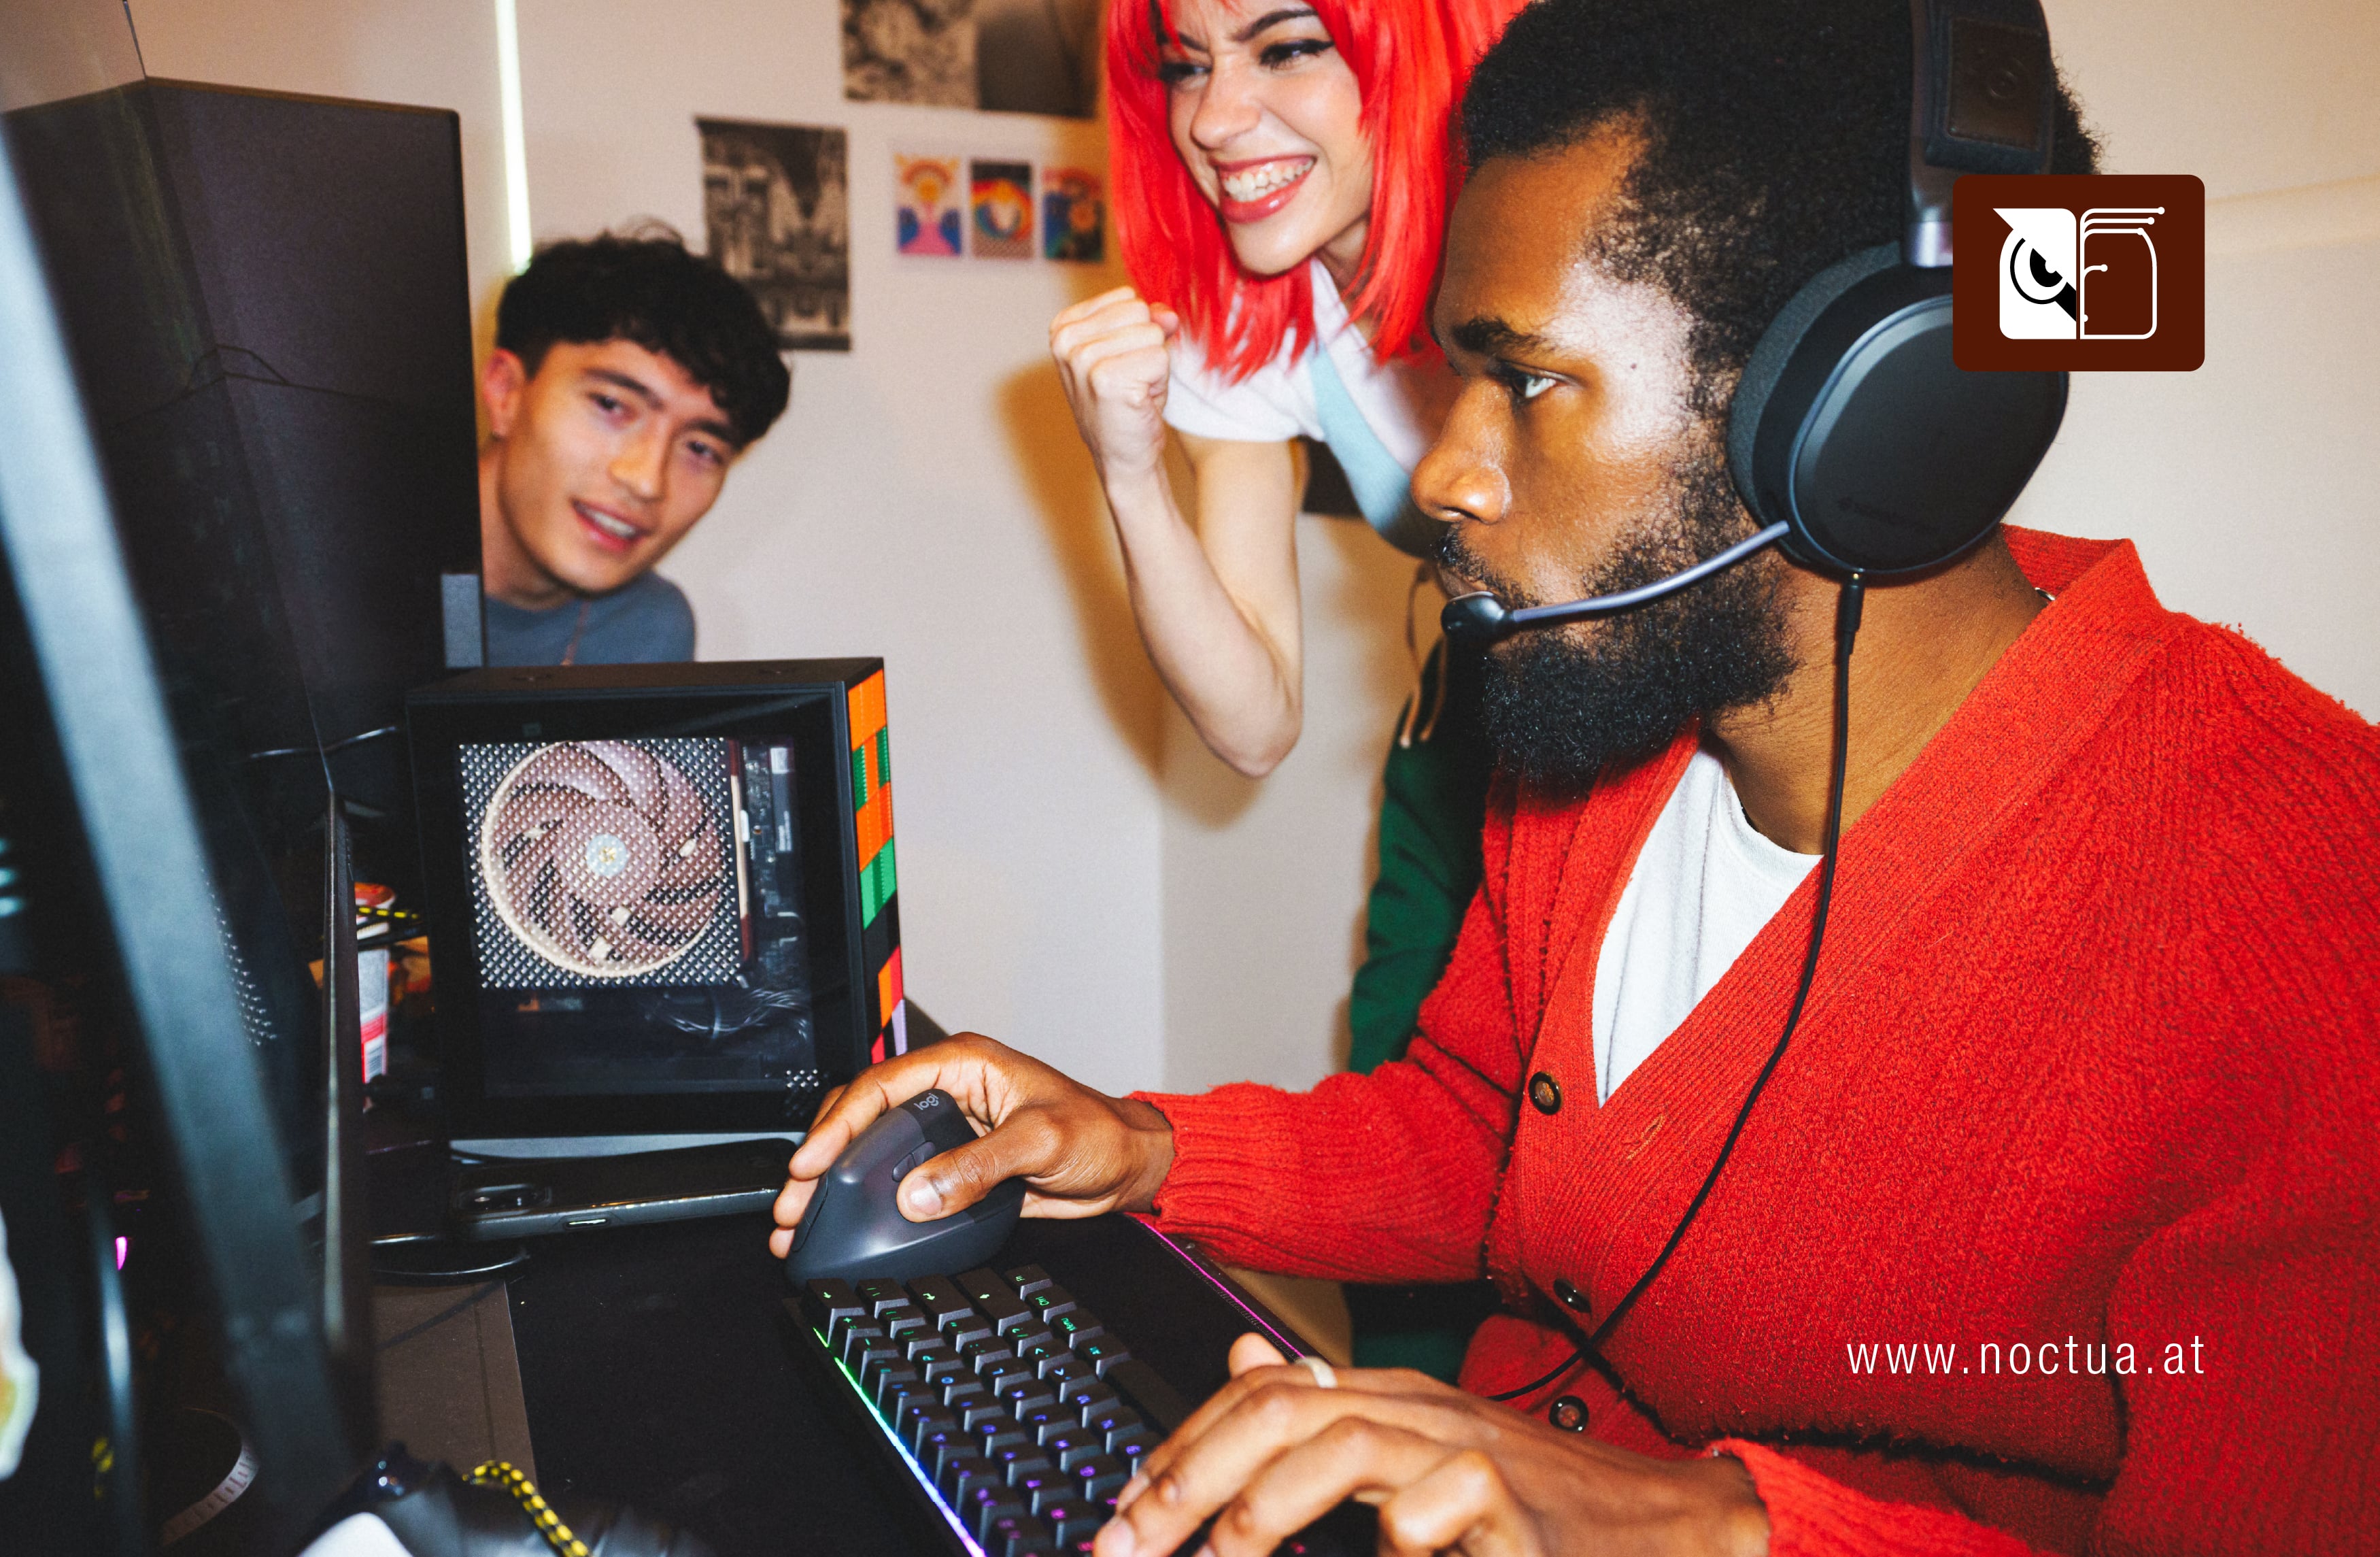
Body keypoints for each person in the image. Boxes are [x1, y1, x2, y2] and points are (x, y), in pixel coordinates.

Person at [784, 0, 2380, 1552]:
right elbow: (1493, 1138)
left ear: (1864, 421)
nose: (1441, 474)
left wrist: (1704, 1526)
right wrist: (1147, 1147)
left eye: (1528, 381)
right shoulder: (1597, 741)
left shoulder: (2304, 910)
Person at [1052, 0, 1524, 1079]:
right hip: (1478, 736)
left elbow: (2001, 289)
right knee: (1399, 1105)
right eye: (1185, 66)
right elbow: (1253, 723)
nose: (1213, 120)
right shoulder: (1272, 316)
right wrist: (1128, 470)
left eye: (1290, 47)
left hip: (1697, 731)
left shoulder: (1588, 208)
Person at [478, 229, 789, 667]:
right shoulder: (356, 587)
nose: (646, 481)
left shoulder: (649, 631)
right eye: (610, 405)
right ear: (506, 392)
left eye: (700, 448)